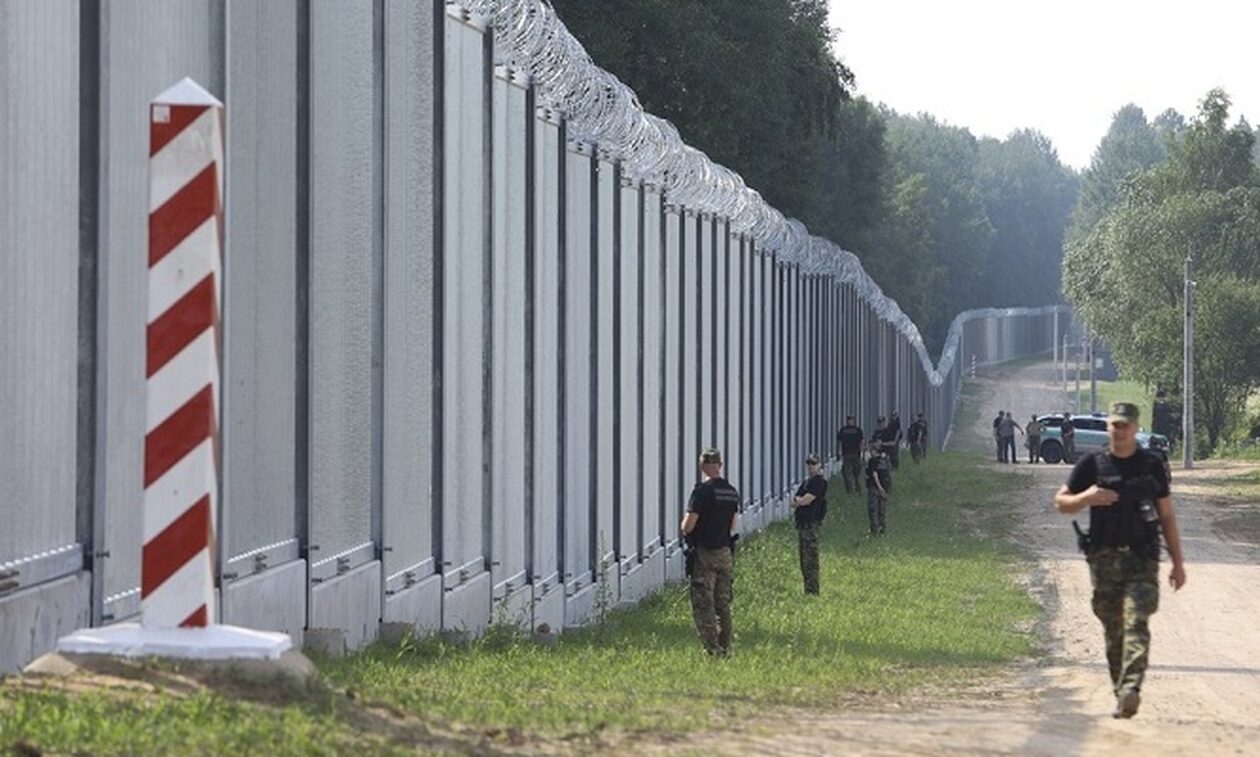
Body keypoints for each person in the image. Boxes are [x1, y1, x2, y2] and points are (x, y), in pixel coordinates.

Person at [1054, 402, 1187, 719]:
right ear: (1109, 427)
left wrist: (1178, 562)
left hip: (1142, 558)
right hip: (1104, 560)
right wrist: (1086, 497)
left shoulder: (1151, 465)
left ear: (1136, 428)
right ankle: (1122, 693)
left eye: (1126, 425)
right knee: (1114, 631)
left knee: (1135, 620)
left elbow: (1167, 515)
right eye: (1116, 425)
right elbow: (1061, 502)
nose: (1121, 430)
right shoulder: (1092, 464)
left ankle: (1131, 688)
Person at [681, 448, 741, 656]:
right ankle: (726, 646)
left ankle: (712, 649)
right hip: (725, 552)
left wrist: (684, 527)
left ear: (701, 466)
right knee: (722, 603)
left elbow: (688, 526)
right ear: (721, 465)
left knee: (703, 603)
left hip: (705, 554)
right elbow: (733, 524)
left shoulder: (702, 492)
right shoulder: (731, 492)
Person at [791, 455, 828, 595]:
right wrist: (799, 500)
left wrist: (800, 500)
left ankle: (813, 590)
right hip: (802, 523)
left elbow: (807, 500)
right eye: (809, 464)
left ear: (819, 465)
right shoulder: (807, 482)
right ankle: (807, 589)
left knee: (811, 558)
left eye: (813, 463)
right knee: (803, 559)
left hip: (811, 524)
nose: (811, 466)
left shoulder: (819, 482)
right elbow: (794, 501)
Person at [865, 446, 891, 535]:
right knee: (882, 510)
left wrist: (879, 487)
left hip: (874, 488)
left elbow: (874, 474)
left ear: (875, 451)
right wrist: (886, 489)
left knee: (873, 510)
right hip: (885, 488)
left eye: (871, 450)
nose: (870, 452)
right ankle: (882, 529)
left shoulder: (872, 461)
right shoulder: (885, 461)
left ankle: (875, 531)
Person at [835, 415, 865, 494]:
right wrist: (838, 452)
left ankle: (857, 490)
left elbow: (861, 442)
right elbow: (839, 442)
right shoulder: (846, 430)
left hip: (855, 454)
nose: (850, 421)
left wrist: (862, 454)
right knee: (849, 473)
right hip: (847, 454)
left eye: (851, 420)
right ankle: (851, 491)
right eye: (849, 420)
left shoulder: (854, 430)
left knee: (856, 474)